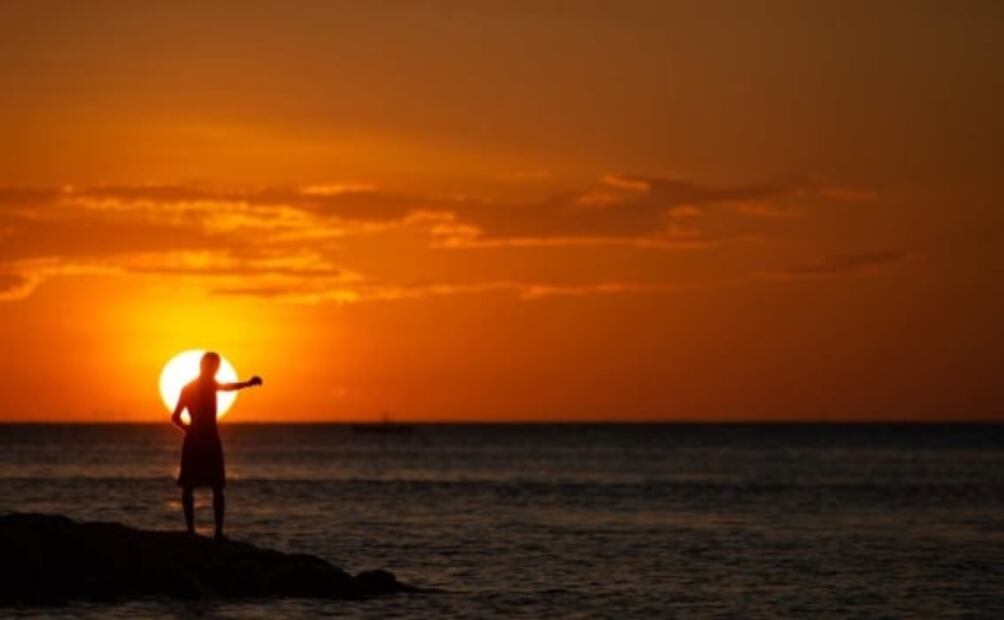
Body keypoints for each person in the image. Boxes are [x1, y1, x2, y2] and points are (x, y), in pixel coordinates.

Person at [170, 351, 262, 540]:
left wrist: (247, 384)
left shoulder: (208, 385)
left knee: (216, 486)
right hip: (199, 439)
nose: (215, 370)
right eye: (213, 366)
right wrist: (188, 430)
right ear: (205, 366)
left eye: (217, 367)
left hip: (209, 438)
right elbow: (175, 416)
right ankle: (192, 531)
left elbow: (228, 387)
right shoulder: (192, 387)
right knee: (191, 485)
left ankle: (217, 531)